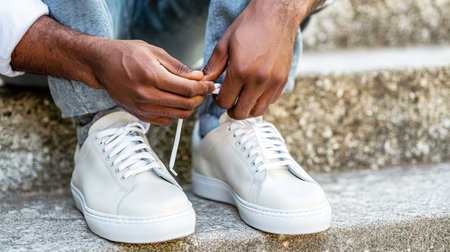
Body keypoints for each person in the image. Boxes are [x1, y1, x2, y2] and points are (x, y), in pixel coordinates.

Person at [1, 0, 332, 243]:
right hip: (53, 27)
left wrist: (280, 9)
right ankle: (101, 124)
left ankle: (228, 121)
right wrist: (91, 60)